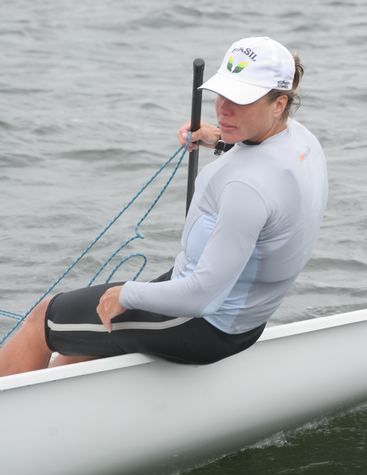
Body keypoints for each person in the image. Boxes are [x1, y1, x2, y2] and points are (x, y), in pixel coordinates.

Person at [0, 36, 328, 376]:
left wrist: (127, 294)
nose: (224, 108)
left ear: (279, 103)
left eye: (241, 100)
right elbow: (267, 168)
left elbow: (201, 296)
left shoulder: (245, 189)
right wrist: (219, 136)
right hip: (243, 315)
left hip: (201, 323)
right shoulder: (300, 140)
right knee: (81, 342)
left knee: (43, 320)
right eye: (223, 94)